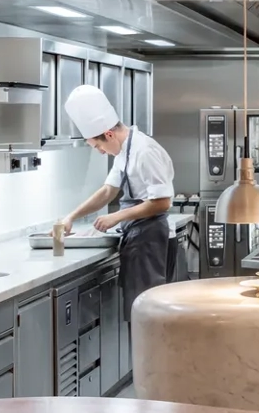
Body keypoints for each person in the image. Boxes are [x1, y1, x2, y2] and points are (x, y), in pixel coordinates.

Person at [54, 85, 176, 334]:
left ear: (109, 134)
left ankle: (154, 370)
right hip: (138, 237)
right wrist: (71, 217)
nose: (99, 152)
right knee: (139, 312)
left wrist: (116, 217)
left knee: (149, 315)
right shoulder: (124, 151)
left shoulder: (145, 151)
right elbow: (108, 191)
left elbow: (163, 202)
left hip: (151, 238)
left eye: (97, 146)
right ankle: (144, 368)